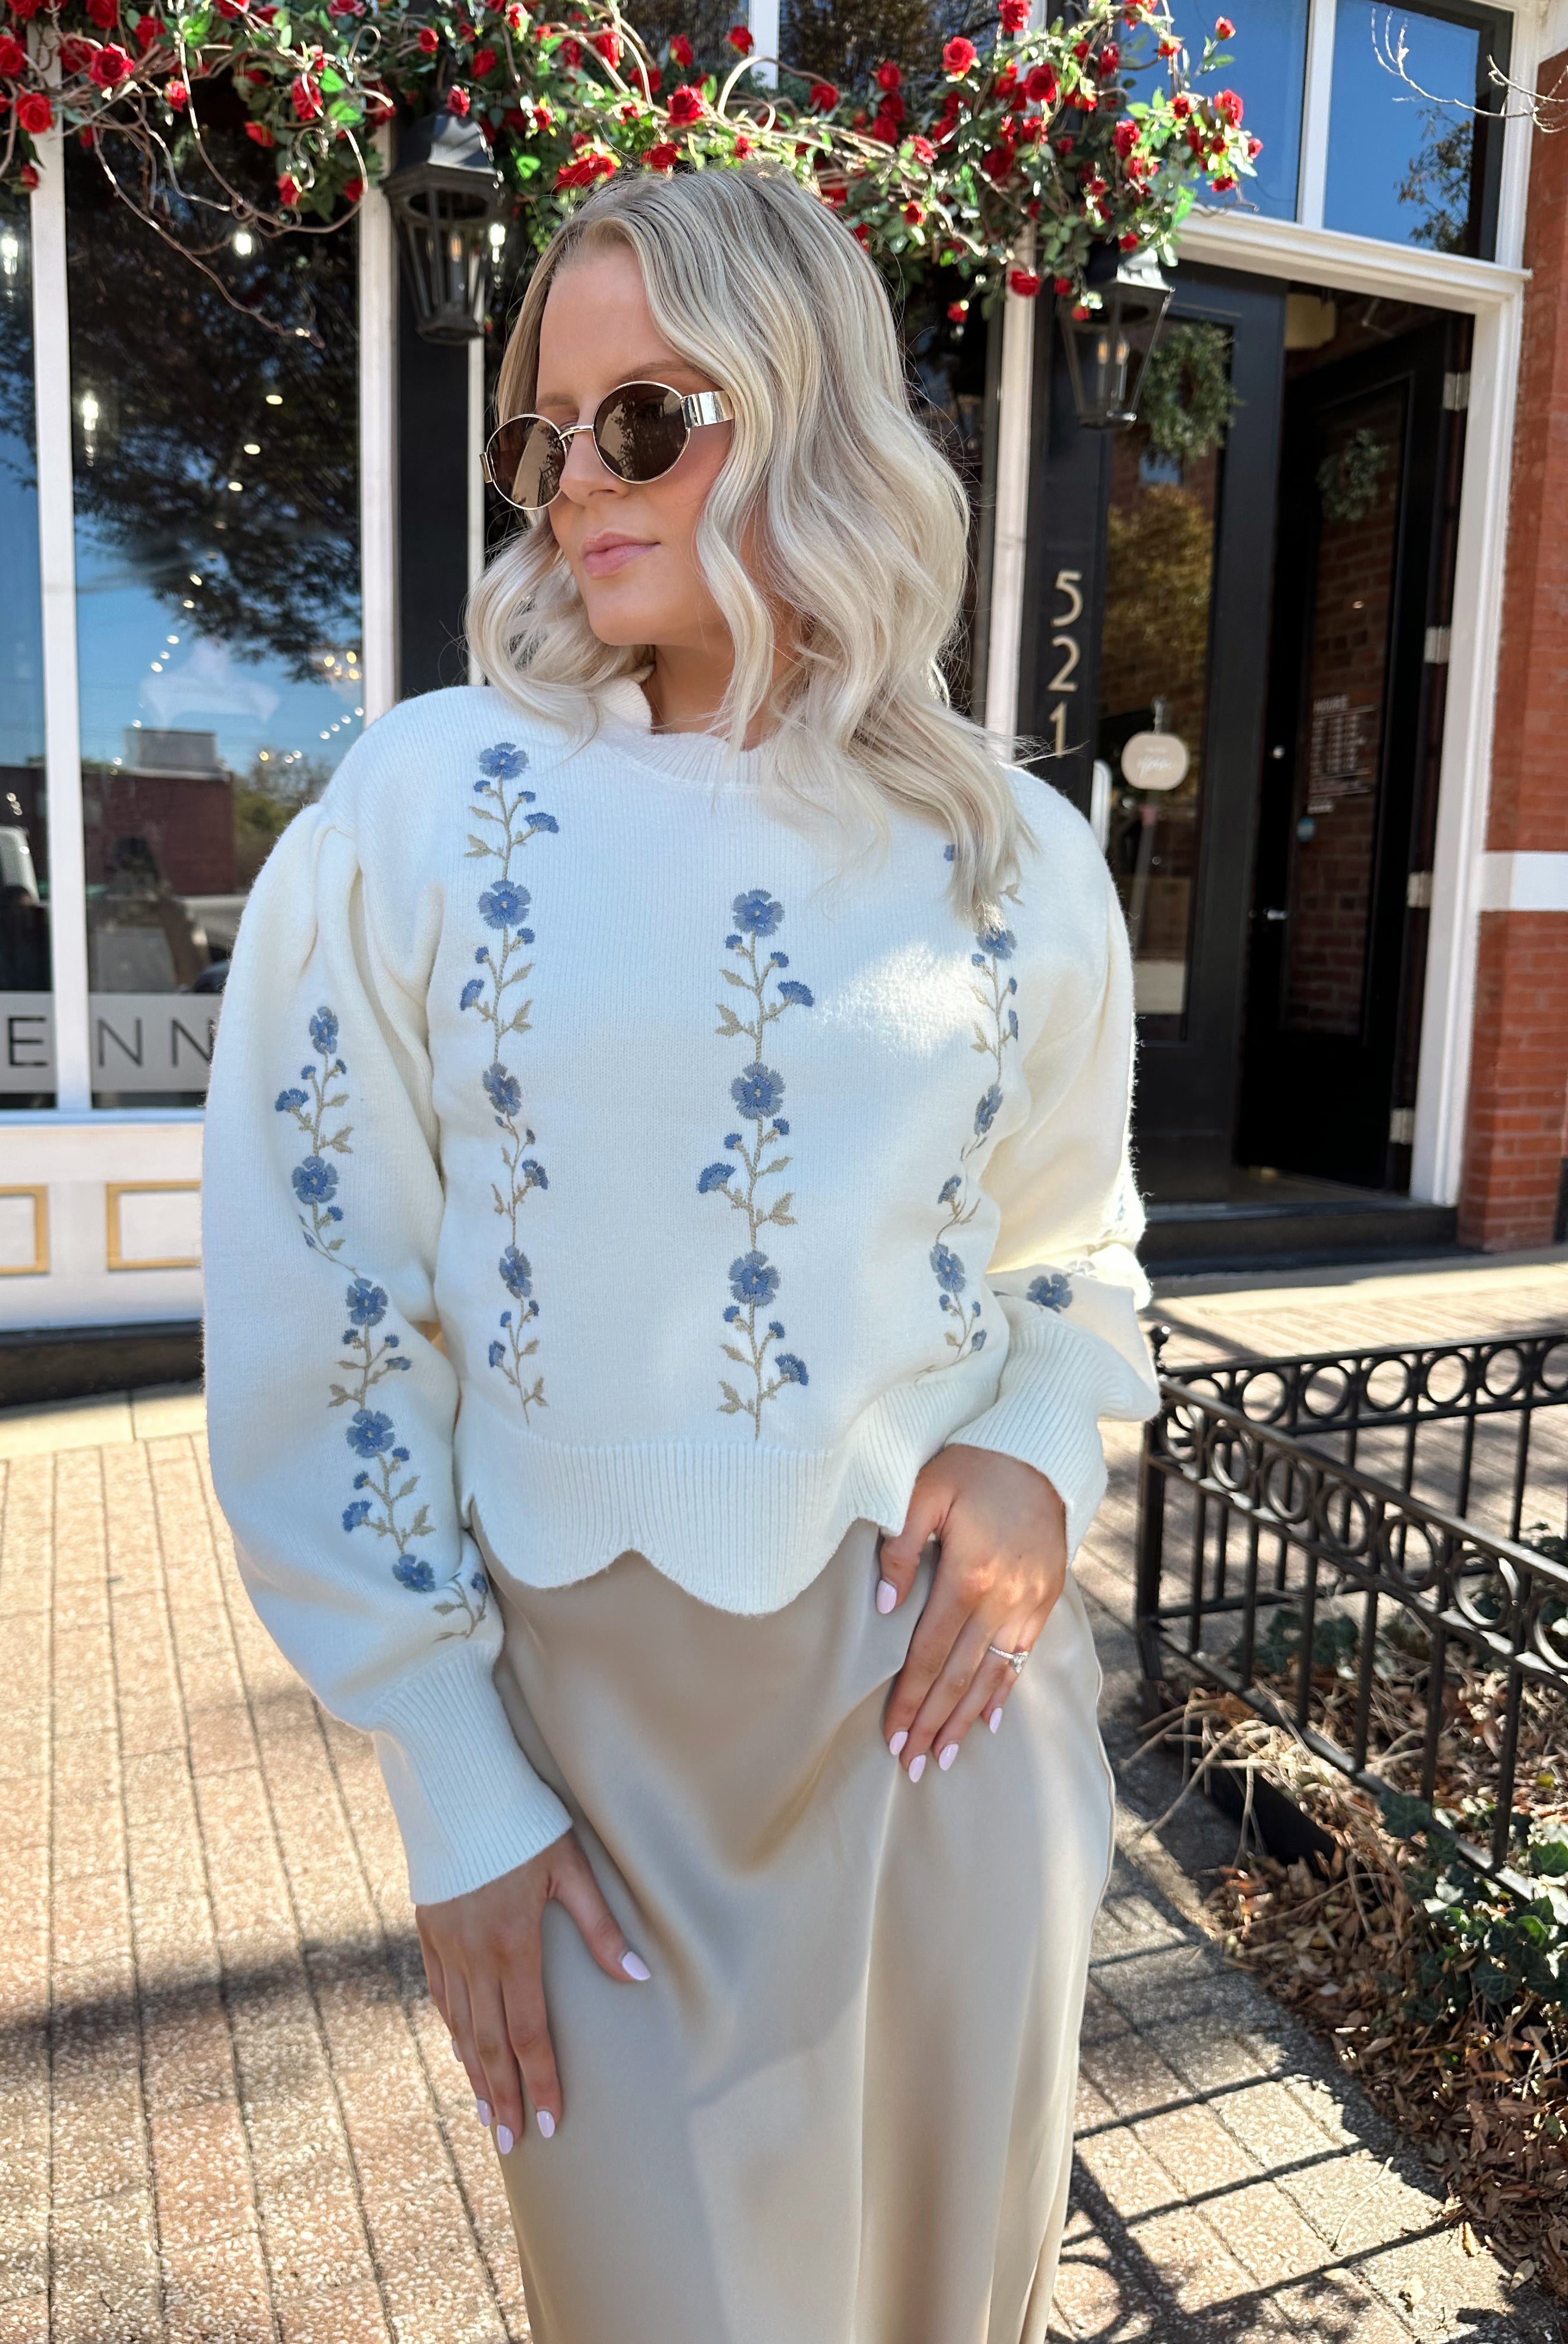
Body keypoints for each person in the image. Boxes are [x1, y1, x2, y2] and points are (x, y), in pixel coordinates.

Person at [202, 162, 1159, 2344]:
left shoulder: (1019, 858)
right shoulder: (422, 813)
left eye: (649, 417)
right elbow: (327, 1318)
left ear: (805, 408)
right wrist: (452, 1775)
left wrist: (1034, 1443)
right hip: (597, 1764)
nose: (575, 484)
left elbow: (1075, 1247)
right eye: (550, 429)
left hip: (949, 1734)